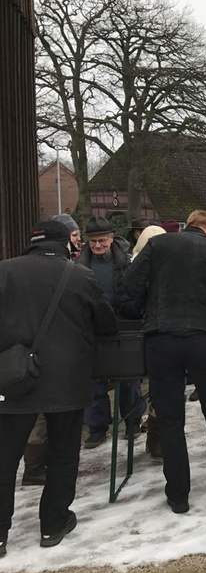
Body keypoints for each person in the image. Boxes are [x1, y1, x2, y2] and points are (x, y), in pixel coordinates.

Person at [0, 220, 116, 554]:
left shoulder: (5, 271)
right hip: (67, 381)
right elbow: (106, 323)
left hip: (14, 378)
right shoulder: (79, 275)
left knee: (4, 459)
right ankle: (53, 524)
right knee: (64, 454)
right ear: (66, 243)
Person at [124, 210, 206, 515]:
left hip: (161, 337)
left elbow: (130, 283)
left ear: (189, 225)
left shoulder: (158, 245)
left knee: (170, 421)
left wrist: (146, 309)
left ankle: (178, 495)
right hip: (202, 339)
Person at [76, 216, 141, 448]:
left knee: (128, 377)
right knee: (94, 379)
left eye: (102, 241)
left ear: (112, 238)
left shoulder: (126, 261)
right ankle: (97, 426)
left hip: (123, 322)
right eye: (93, 242)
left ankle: (132, 419)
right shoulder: (79, 264)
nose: (97, 246)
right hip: (92, 327)